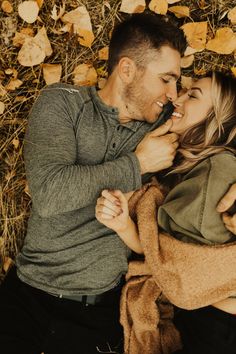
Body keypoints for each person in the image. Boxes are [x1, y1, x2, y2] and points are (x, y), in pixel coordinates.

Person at [0, 13, 187, 354]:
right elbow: (49, 194)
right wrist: (137, 164)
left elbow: (220, 127)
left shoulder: (166, 127)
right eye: (166, 79)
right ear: (127, 70)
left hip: (96, 313)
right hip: (27, 295)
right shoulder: (64, 103)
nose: (174, 93)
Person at [96, 71, 236, 353]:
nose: (178, 99)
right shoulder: (190, 172)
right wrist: (123, 224)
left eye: (193, 95)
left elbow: (176, 268)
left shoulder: (217, 171)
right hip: (199, 317)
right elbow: (163, 258)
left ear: (218, 118)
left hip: (218, 326)